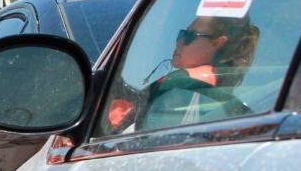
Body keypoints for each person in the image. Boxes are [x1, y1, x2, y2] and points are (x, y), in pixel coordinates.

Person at [107, 15, 260, 133]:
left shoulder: (178, 83)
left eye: (189, 36)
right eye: (181, 34)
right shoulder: (237, 108)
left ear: (216, 43)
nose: (178, 42)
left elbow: (131, 127)